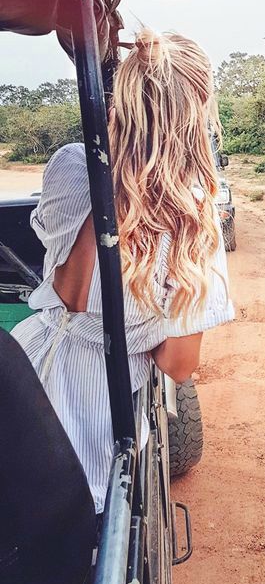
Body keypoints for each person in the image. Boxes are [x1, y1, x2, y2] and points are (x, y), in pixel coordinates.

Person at [11, 29, 235, 516]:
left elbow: (68, 291)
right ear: (198, 111)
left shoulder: (71, 165)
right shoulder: (195, 211)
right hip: (103, 402)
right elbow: (177, 363)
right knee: (78, 521)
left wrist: (111, 166)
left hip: (26, 367)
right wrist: (140, 330)